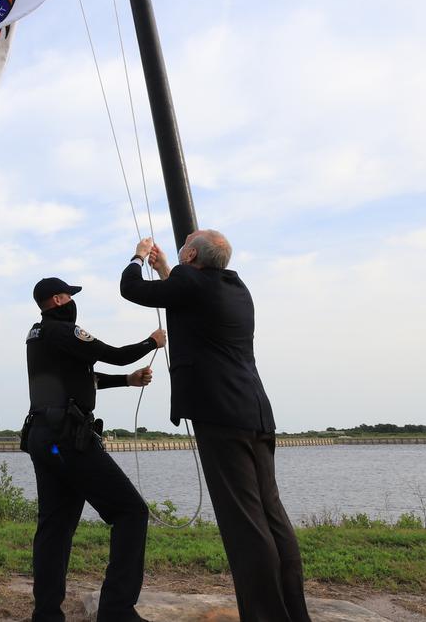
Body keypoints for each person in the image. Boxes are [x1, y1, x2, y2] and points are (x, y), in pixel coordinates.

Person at [120, 232, 310, 622]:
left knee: (245, 523)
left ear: (191, 254)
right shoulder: (236, 286)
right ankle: (294, 613)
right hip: (255, 412)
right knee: (271, 515)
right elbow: (191, 298)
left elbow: (131, 289)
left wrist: (140, 258)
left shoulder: (190, 282)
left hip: (221, 416)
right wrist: (167, 271)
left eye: (184, 244)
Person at [24, 276, 164, 622]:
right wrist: (151, 342)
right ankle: (117, 611)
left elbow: (87, 377)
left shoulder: (38, 335)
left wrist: (128, 381)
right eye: (69, 296)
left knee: (54, 528)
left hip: (45, 438)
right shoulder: (64, 332)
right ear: (58, 300)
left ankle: (46, 615)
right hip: (68, 440)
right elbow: (112, 356)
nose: (73, 301)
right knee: (131, 512)